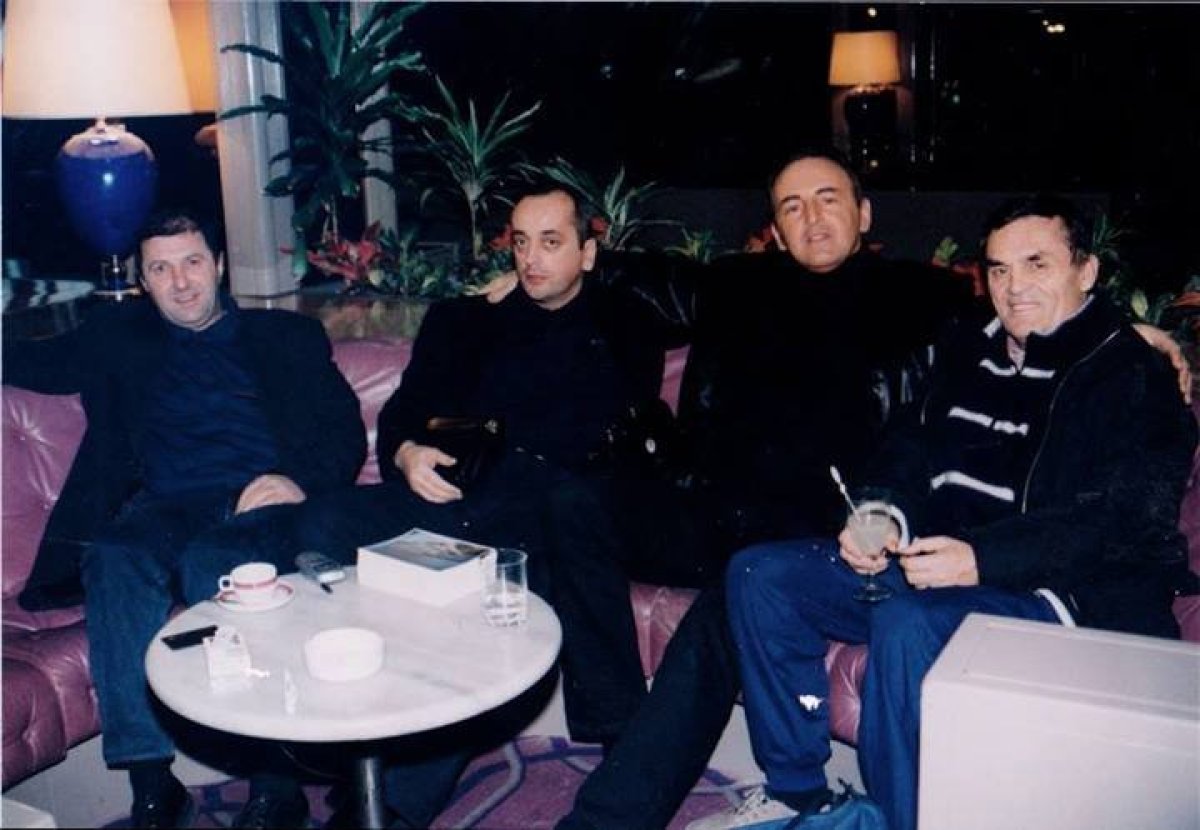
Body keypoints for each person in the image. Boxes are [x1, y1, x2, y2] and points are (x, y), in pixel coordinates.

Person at [545, 152, 1190, 830]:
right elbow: (911, 445)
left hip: (1049, 588)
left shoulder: (1115, 372)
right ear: (774, 230)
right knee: (754, 574)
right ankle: (799, 791)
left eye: (1038, 265)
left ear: (1086, 271)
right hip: (817, 533)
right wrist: (882, 514)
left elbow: (1125, 519)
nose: (1015, 286)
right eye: (1000, 269)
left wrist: (982, 557)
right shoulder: (967, 345)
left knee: (901, 621)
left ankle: (899, 815)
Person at [291, 179, 684, 826]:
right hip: (452, 496)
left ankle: (391, 806)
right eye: (521, 243)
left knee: (498, 589)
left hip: (542, 514)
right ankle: (340, 741)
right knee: (324, 521)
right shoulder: (466, 321)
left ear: (588, 252)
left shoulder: (624, 323)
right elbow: (404, 412)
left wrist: (599, 269)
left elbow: (689, 290)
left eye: (551, 243)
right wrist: (407, 454)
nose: (531, 259)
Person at [3, 209, 367, 827]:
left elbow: (342, 432)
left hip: (258, 502)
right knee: (114, 557)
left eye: (192, 262)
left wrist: (295, 481)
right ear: (143, 281)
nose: (180, 282)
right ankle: (152, 786)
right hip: (165, 506)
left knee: (216, 563)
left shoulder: (285, 336)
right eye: (161, 269)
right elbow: (28, 361)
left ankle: (274, 784)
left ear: (218, 265)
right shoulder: (118, 337)